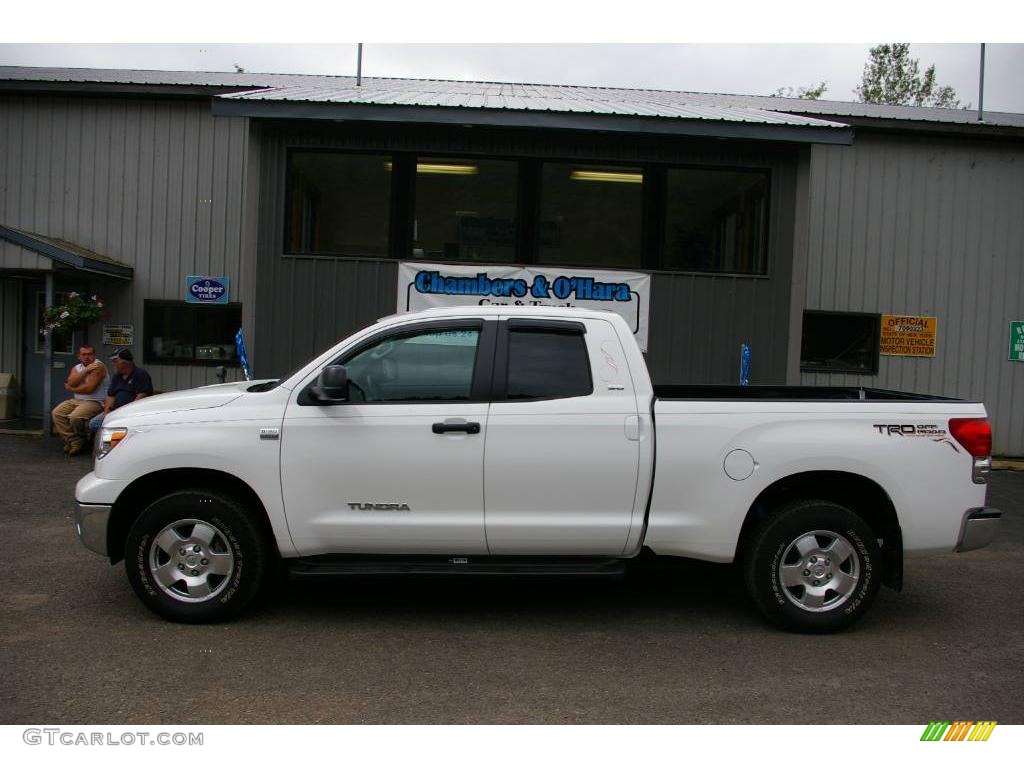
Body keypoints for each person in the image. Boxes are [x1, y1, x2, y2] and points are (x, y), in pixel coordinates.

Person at [52, 344, 110, 455]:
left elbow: (89, 388)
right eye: (84, 354)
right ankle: (74, 440)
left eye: (90, 354)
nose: (87, 357)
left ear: (94, 355)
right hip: (77, 400)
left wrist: (71, 388)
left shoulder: (98, 366)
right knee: (57, 413)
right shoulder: (77, 368)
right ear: (79, 356)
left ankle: (80, 440)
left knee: (75, 416)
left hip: (96, 401)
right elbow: (71, 382)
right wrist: (85, 371)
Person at [87, 348, 155, 439]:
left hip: (132, 413)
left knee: (116, 428)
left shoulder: (140, 374)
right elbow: (110, 396)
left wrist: (123, 414)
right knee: (94, 424)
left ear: (126, 362)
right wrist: (106, 414)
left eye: (115, 361)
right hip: (115, 411)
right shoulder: (117, 376)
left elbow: (141, 397)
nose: (113, 364)